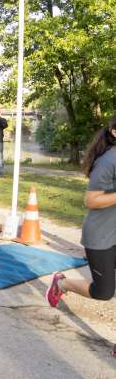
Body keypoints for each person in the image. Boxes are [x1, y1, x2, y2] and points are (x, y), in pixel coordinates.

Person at [46, 116, 116, 307]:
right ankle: (61, 283)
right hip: (101, 237)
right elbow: (91, 200)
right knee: (103, 292)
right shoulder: (108, 161)